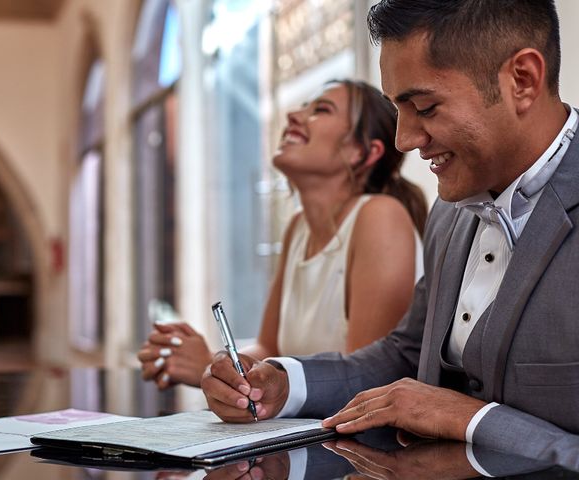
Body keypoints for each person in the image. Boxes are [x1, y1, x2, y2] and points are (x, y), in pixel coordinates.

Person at [202, 0, 579, 463]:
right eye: (397, 109)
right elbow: (408, 354)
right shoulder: (449, 212)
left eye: (424, 106)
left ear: (522, 79)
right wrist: (283, 382)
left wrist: (473, 419)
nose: (405, 140)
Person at [138, 78, 427, 389]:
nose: (293, 116)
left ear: (363, 152)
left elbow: (362, 381)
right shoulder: (297, 228)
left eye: (321, 110)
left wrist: (207, 367)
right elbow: (269, 349)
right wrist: (217, 364)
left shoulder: (380, 216)